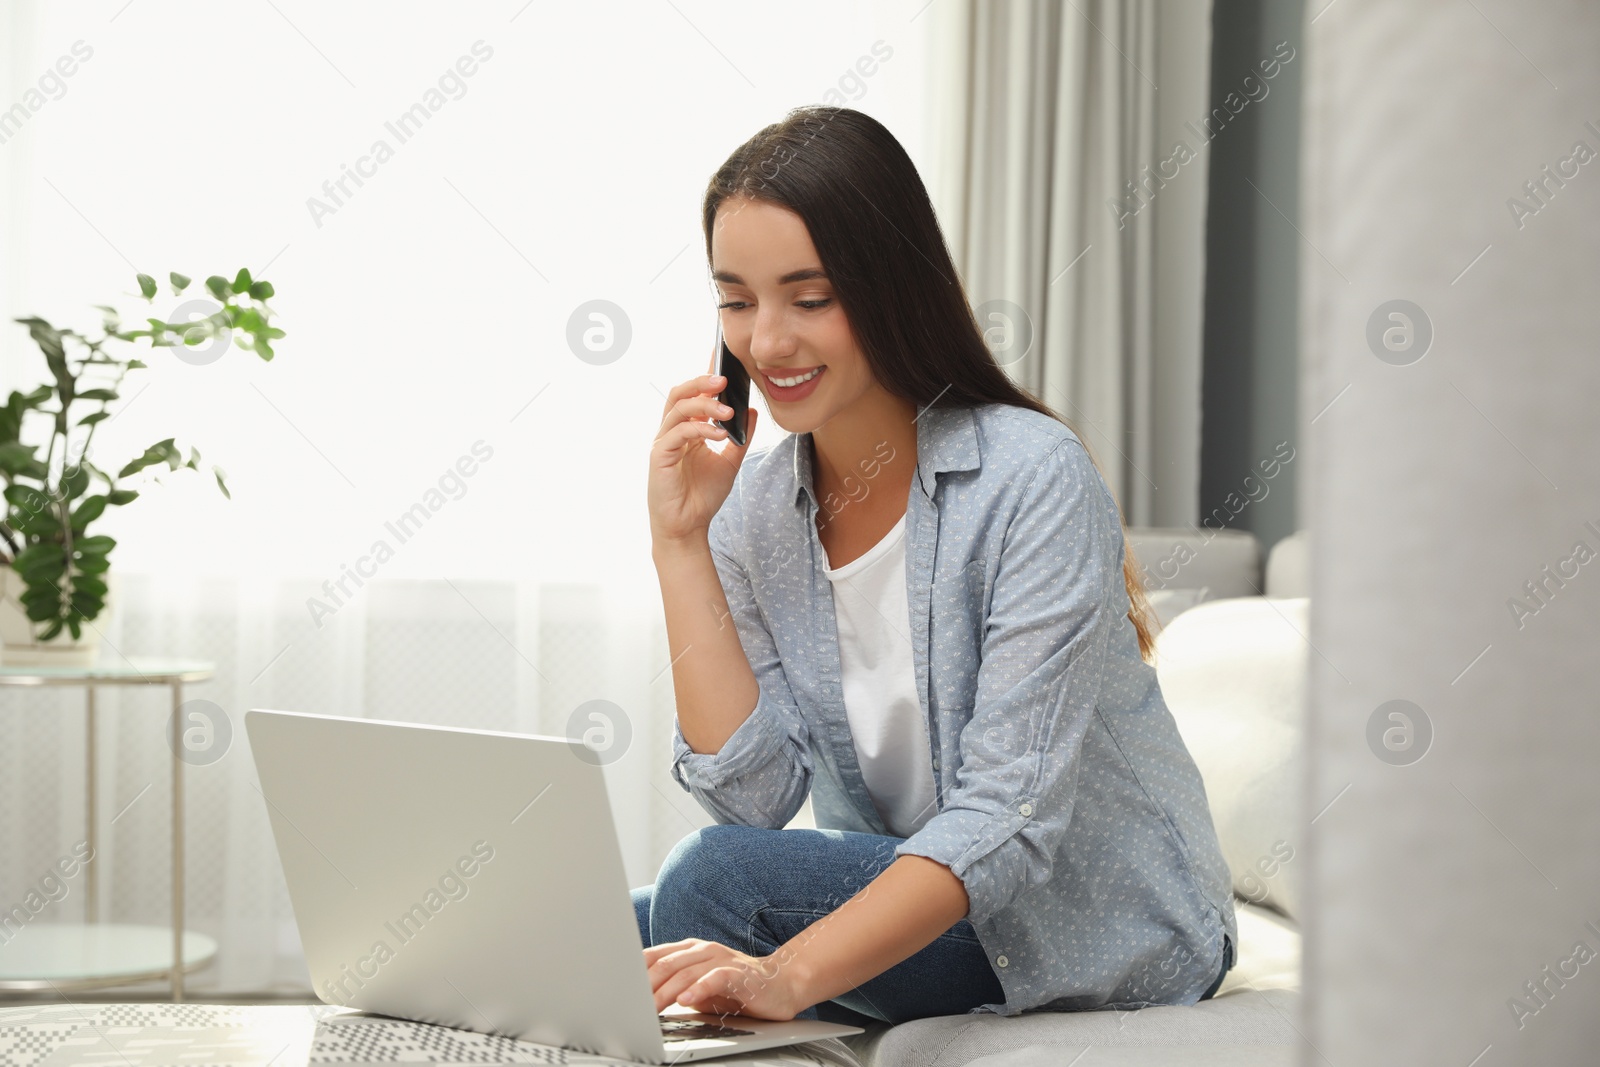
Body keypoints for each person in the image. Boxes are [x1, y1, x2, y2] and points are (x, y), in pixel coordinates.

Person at [637, 106, 1235, 1028]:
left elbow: (1009, 819)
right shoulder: (753, 510)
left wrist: (788, 975)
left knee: (712, 884)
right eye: (737, 300)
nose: (768, 341)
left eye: (810, 296)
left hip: (1093, 918)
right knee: (596, 934)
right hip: (921, 896)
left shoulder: (1029, 476)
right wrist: (678, 542)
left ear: (889, 287)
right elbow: (751, 797)